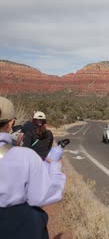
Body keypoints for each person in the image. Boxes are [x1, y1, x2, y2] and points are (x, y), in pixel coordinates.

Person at [0, 96, 66, 239]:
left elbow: (26, 143)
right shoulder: (26, 156)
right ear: (10, 123)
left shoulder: (29, 135)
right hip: (15, 226)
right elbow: (41, 197)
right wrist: (55, 169)